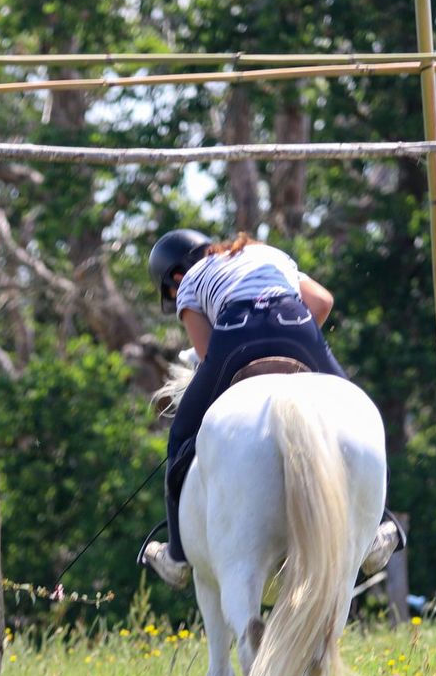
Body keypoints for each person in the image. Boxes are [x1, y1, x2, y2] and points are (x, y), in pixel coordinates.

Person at [138, 228, 405, 586]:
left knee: (182, 435)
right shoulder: (266, 253)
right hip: (297, 326)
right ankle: (375, 529)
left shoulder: (191, 281)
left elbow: (205, 355)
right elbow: (322, 301)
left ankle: (177, 556)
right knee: (357, 418)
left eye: (170, 291)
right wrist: (289, 344)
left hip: (235, 336)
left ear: (175, 275)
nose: (174, 295)